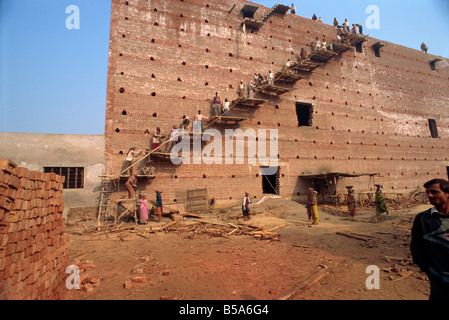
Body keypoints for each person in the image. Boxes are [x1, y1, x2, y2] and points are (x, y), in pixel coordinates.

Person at [410, 179, 449, 300]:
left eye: (434, 192)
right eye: (427, 192)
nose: (429, 195)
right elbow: (416, 248)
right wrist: (429, 270)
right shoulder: (423, 219)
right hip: (440, 281)